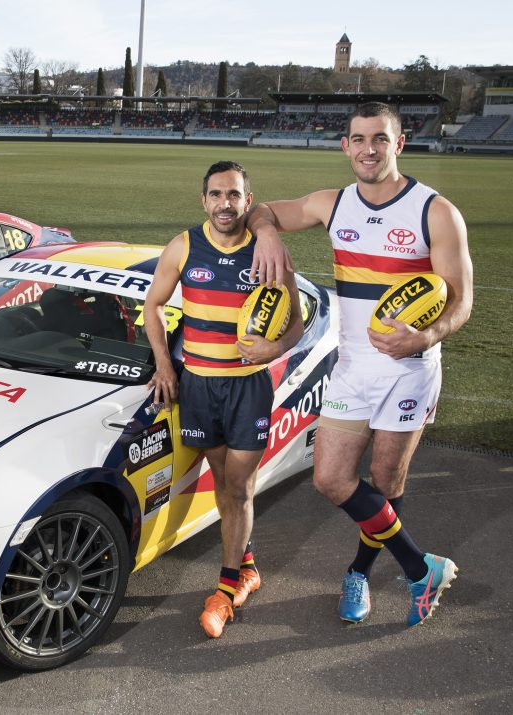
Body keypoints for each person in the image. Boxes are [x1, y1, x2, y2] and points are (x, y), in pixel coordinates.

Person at [246, 101, 473, 626]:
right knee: (330, 479)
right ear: (345, 145)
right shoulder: (334, 203)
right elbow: (265, 210)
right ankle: (421, 567)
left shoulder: (434, 210)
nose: (368, 149)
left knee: (386, 482)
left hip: (409, 370)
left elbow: (461, 300)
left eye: (380, 139)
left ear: (399, 144)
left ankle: (360, 573)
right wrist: (269, 232)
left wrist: (426, 337)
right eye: (358, 139)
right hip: (351, 366)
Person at [145, 161, 304, 638]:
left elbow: (294, 322)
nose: (224, 204)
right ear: (204, 201)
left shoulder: (269, 251)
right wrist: (164, 364)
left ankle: (225, 589)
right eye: (216, 195)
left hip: (248, 385)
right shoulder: (184, 245)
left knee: (239, 487)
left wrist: (276, 347)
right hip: (197, 383)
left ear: (247, 201)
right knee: (223, 481)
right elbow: (153, 304)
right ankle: (248, 566)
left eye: (234, 195)